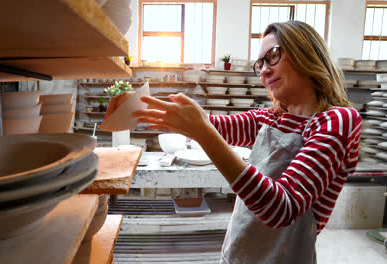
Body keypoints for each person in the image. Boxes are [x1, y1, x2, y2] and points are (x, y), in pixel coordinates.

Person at [107, 20, 362, 263]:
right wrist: (138, 103)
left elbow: (281, 208)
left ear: (306, 51)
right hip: (238, 254)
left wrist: (203, 133)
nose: (264, 70)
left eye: (272, 56)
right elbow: (211, 125)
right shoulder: (271, 117)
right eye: (260, 63)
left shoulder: (336, 120)